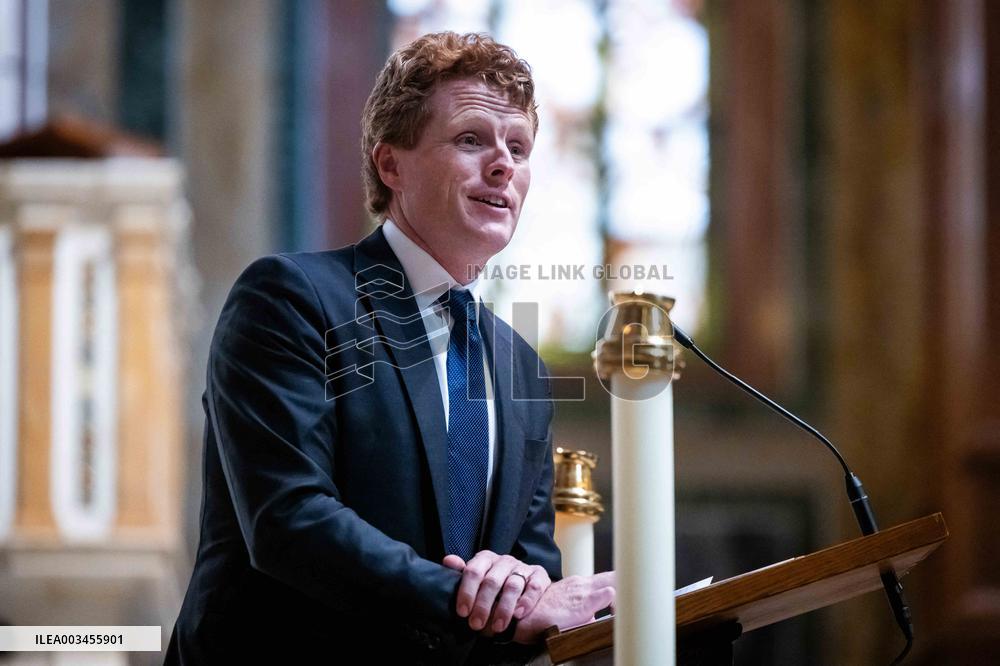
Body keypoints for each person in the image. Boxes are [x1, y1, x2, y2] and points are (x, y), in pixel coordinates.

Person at [166, 31, 615, 665]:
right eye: (470, 140)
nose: (504, 165)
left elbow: (526, 574)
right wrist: (473, 596)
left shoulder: (523, 368)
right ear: (390, 165)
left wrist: (529, 593)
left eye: (518, 147)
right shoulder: (293, 298)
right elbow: (290, 521)